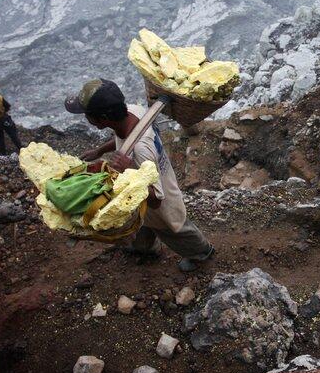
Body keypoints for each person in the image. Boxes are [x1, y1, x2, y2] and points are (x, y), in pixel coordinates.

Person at [64, 78, 214, 272]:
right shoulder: (134, 113)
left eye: (87, 114)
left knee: (176, 230)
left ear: (102, 119)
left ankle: (202, 252)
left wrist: (128, 172)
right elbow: (123, 137)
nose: (86, 118)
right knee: (141, 226)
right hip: (142, 198)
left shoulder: (141, 150)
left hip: (160, 202)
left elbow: (156, 201)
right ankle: (146, 249)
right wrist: (101, 150)